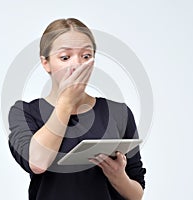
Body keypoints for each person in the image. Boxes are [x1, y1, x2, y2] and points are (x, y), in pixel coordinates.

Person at [8, 18, 146, 200]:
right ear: (46, 63)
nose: (77, 64)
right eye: (65, 57)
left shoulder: (119, 113)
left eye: (86, 56)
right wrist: (66, 103)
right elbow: (37, 163)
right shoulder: (25, 113)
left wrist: (118, 177)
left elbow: (137, 194)